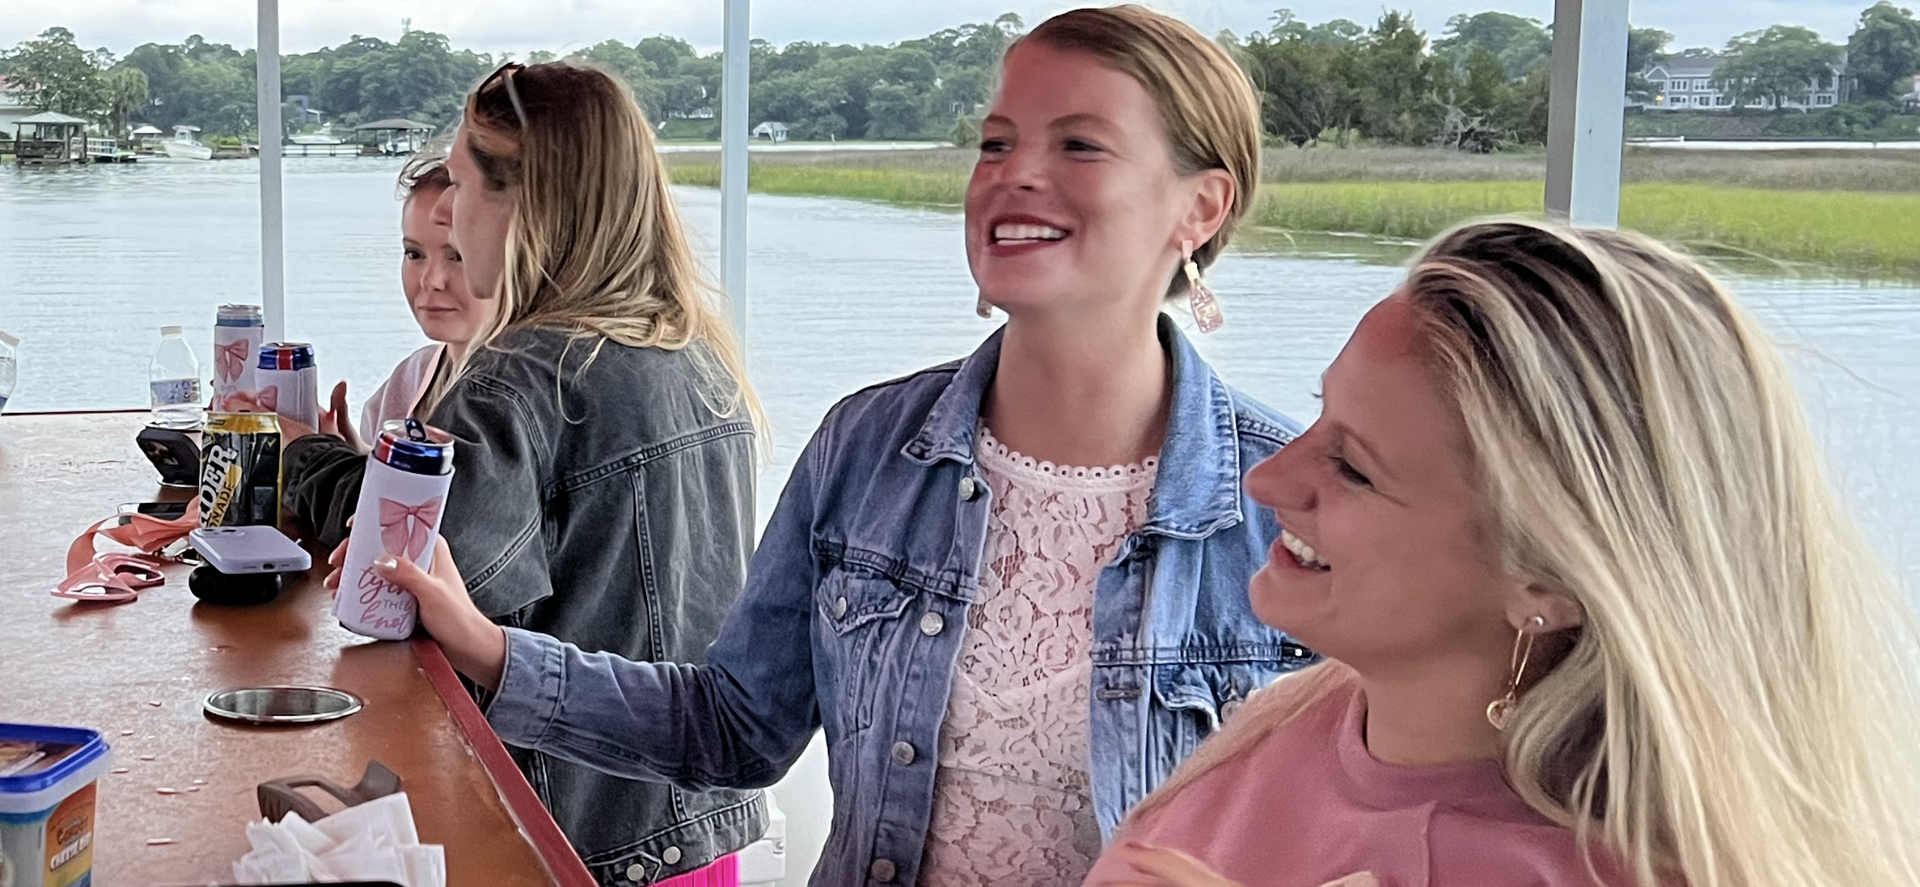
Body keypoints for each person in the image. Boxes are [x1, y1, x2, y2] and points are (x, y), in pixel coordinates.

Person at [334, 7, 1314, 886]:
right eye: (995, 140)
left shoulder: (1292, 498)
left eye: (1081, 144)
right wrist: (491, 647)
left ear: (1201, 206)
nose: (1016, 173)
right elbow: (734, 727)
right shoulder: (868, 445)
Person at [1080, 220, 1920, 887]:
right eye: (1318, 417)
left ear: (1547, 575)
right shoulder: (1283, 721)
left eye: (1354, 467)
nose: (1268, 479)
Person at [286, 62, 768, 886]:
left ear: (522, 203)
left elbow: (401, 577)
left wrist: (305, 455)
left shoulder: (524, 376)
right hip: (703, 830)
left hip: (579, 835)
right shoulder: (698, 353)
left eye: (463, 188)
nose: (449, 214)